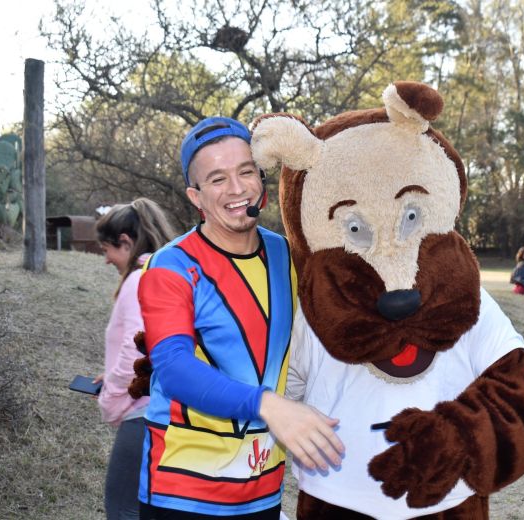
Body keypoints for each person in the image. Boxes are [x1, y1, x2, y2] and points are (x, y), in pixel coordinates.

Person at [136, 117, 345, 519]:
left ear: (261, 179)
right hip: (182, 494)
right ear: (195, 197)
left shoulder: (288, 253)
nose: (236, 189)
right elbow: (175, 369)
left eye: (245, 171)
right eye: (217, 179)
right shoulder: (172, 266)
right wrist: (270, 405)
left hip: (262, 490)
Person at [95, 198, 177, 520]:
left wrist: (112, 396)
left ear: (126, 242)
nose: (106, 260)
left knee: (123, 508)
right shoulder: (168, 272)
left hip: (142, 414)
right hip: (168, 408)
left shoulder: (138, 280)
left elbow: (136, 348)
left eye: (107, 250)